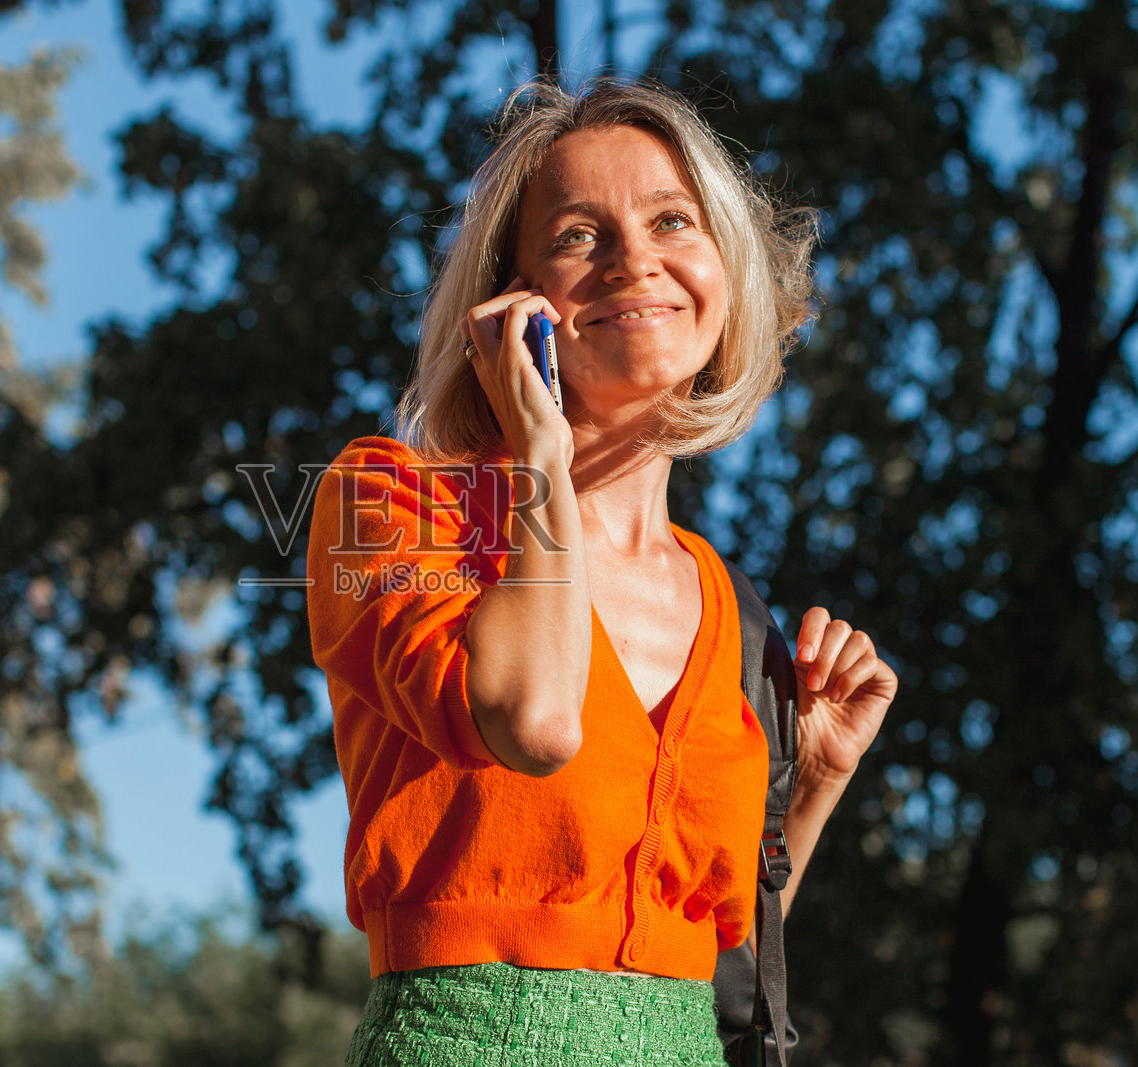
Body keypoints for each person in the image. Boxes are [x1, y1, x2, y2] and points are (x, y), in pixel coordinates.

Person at [305, 78, 897, 1066]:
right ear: (510, 300)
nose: (634, 259)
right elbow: (533, 722)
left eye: (672, 219)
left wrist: (817, 779)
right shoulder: (389, 504)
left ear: (724, 271)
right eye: (579, 235)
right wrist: (537, 454)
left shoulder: (731, 606)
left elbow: (715, 957)